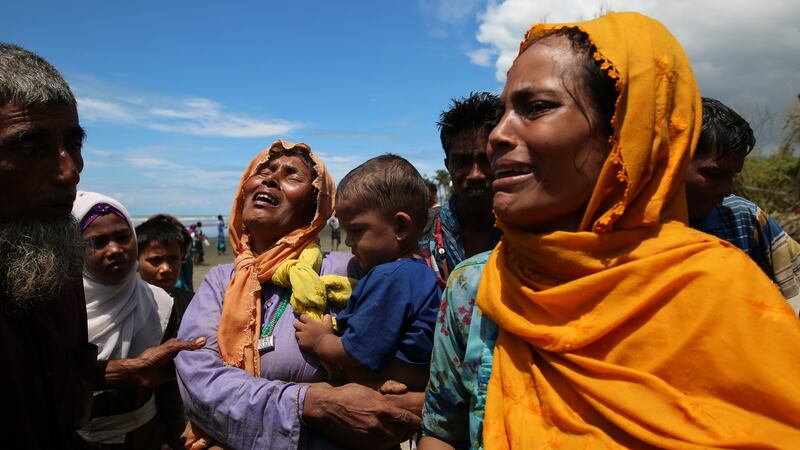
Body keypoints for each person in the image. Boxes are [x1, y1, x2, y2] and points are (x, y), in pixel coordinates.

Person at [420, 13, 800, 450]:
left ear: (624, 129)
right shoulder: (477, 286)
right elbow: (441, 430)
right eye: (504, 111)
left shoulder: (722, 292)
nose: (498, 136)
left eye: (537, 107)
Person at [0, 43, 203, 450]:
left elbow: (56, 381)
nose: (69, 171)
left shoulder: (55, 272)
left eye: (74, 144)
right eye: (31, 146)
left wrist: (118, 372)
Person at [175, 139, 422, 450]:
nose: (270, 178)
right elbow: (199, 382)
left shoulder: (352, 269)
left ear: (313, 206)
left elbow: (413, 359)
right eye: (263, 170)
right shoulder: (220, 281)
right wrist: (308, 401)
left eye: (292, 176)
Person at [295, 154, 442, 392]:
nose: (349, 241)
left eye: (356, 230)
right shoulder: (418, 270)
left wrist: (321, 341)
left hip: (400, 381)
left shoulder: (390, 277)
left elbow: (359, 350)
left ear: (400, 226)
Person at [73, 191, 187, 448]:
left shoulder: (160, 304)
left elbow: (166, 387)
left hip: (145, 436)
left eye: (123, 237)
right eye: (98, 242)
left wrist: (175, 437)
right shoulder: (61, 307)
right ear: (75, 248)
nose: (115, 249)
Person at [686, 97, 800, 313]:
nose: (726, 189)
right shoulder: (628, 231)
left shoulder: (742, 218)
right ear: (672, 162)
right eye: (714, 174)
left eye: (732, 176)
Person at [423, 92, 502, 285]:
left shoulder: (531, 231)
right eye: (462, 161)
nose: (475, 174)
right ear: (447, 165)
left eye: (486, 159)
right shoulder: (422, 231)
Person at [136, 217, 194, 324]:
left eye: (173, 259)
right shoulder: (126, 308)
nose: (166, 269)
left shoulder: (193, 303)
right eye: (155, 260)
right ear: (136, 262)